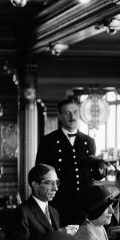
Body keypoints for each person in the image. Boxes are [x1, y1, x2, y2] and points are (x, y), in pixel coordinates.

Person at [35, 97, 106, 226]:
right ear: (60, 116)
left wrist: (102, 166)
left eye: (75, 112)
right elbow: (39, 172)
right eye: (67, 113)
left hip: (84, 203)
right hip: (59, 202)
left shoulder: (89, 141)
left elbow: (95, 175)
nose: (72, 116)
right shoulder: (48, 141)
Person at [2, 163, 62, 240]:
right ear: (35, 185)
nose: (56, 188)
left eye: (56, 182)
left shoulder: (54, 212)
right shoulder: (21, 213)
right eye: (50, 183)